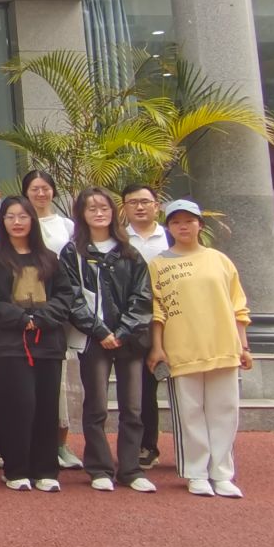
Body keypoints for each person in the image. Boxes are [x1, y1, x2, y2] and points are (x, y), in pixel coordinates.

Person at [148, 200, 253, 498]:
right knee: (189, 413)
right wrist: (157, 348)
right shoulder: (158, 264)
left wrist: (244, 345)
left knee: (225, 411)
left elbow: (238, 305)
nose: (183, 226)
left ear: (200, 225)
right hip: (182, 349)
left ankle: (222, 473)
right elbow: (157, 310)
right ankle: (196, 473)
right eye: (176, 222)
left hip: (224, 346)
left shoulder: (220, 260)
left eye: (189, 221)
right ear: (168, 228)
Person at [0, 196, 78, 492]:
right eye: (10, 217)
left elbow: (65, 295)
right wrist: (22, 319)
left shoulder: (49, 258)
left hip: (47, 343)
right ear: (2, 222)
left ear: (32, 221)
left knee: (47, 407)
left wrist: (41, 318)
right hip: (9, 345)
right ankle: (16, 469)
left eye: (23, 216)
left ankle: (45, 469)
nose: (17, 222)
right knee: (17, 406)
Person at [62, 187, 155, 493]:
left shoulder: (129, 251)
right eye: (92, 209)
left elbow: (142, 297)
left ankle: (130, 469)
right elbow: (72, 298)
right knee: (96, 406)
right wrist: (100, 331)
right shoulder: (73, 252)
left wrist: (123, 332)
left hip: (130, 341)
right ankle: (99, 467)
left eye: (104, 208)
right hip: (94, 340)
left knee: (133, 407)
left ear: (114, 212)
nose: (99, 213)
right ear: (81, 214)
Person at [20, 170, 80, 472]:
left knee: (62, 384)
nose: (40, 194)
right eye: (34, 188)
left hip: (57, 311)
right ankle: (33, 443)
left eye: (45, 188)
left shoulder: (67, 226)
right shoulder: (20, 224)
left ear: (53, 192)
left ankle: (61, 443)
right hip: (25, 312)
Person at [120, 183, 172, 471]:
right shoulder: (119, 240)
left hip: (172, 320)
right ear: (124, 208)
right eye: (132, 203)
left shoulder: (170, 237)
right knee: (142, 386)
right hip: (134, 323)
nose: (139, 207)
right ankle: (146, 445)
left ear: (156, 206)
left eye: (145, 202)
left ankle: (192, 449)